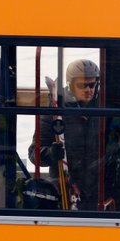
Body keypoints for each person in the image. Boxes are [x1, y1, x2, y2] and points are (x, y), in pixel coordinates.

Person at [29, 59, 103, 211]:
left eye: (92, 85)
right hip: (65, 190)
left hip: (97, 190)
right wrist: (50, 153)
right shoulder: (54, 114)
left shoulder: (103, 110)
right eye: (82, 85)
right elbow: (33, 153)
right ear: (70, 85)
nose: (88, 90)